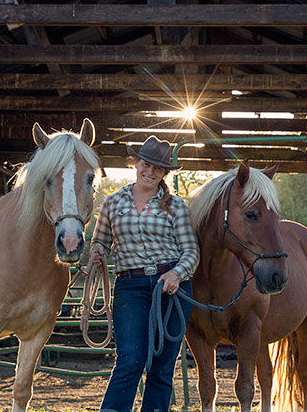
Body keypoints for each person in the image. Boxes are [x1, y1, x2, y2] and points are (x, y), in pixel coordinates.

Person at [89, 135, 200, 412]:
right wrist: (97, 252)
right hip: (130, 286)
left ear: (164, 174)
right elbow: (100, 241)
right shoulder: (112, 203)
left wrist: (176, 274)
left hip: (171, 287)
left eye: (158, 168)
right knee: (130, 360)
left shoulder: (175, 207)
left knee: (162, 367)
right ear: (135, 163)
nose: (150, 172)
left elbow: (191, 252)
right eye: (146, 164)